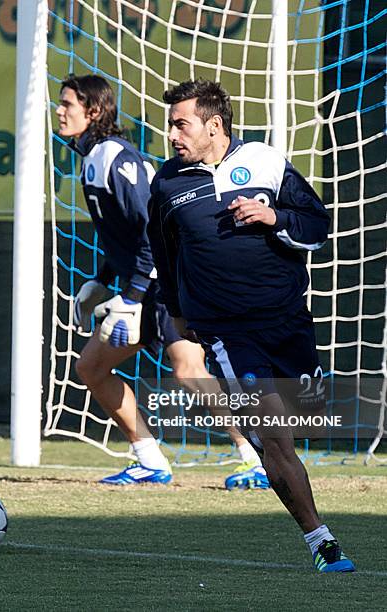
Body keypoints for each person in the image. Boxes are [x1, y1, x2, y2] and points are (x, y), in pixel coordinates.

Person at [147, 78, 355, 572]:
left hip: (286, 322)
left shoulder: (264, 160)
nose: (172, 134)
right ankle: (320, 541)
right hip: (225, 332)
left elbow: (316, 224)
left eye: (181, 124)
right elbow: (164, 252)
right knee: (274, 437)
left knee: (297, 421)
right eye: (170, 124)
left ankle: (271, 456)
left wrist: (272, 215)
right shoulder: (167, 183)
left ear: (214, 125)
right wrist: (179, 313)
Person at [55, 74, 267, 487]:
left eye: (68, 104)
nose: (60, 111)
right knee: (92, 368)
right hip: (143, 283)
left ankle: (257, 458)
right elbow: (127, 233)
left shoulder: (112, 155)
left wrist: (132, 298)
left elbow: (155, 229)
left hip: (166, 280)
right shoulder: (93, 156)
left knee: (189, 369)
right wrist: (101, 280)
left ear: (93, 111)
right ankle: (150, 460)